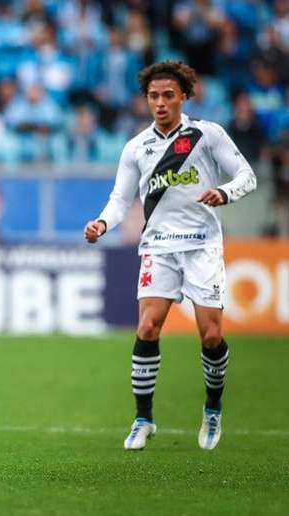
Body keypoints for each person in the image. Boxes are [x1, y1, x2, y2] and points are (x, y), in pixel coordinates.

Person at [83, 61, 257, 451]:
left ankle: (213, 407)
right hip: (158, 246)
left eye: (168, 95)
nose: (160, 103)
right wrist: (101, 224)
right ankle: (143, 419)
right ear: (146, 99)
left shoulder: (207, 135)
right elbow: (120, 199)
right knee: (147, 328)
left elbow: (247, 175)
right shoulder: (136, 147)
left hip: (201, 245)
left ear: (183, 97)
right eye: (153, 96)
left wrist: (224, 193)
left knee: (211, 335)